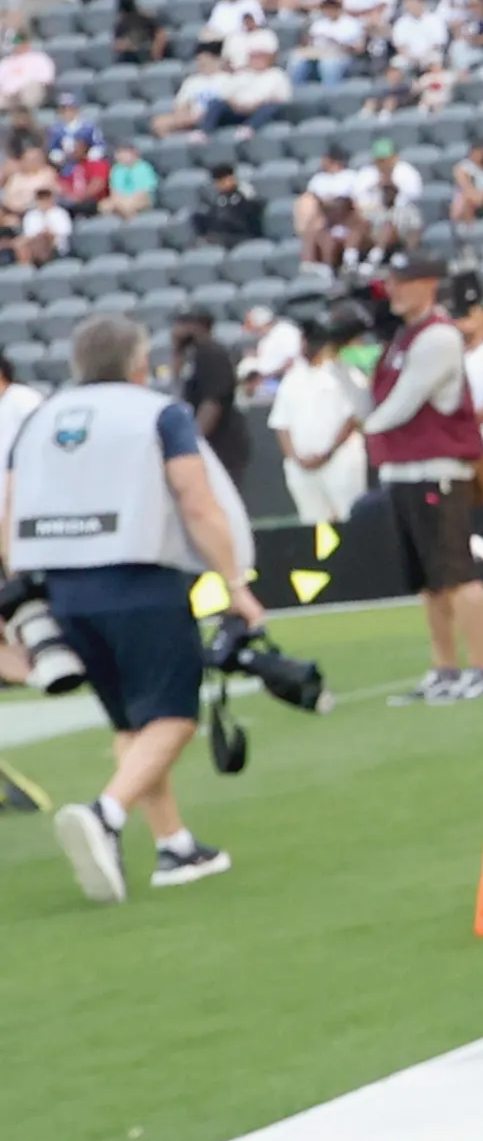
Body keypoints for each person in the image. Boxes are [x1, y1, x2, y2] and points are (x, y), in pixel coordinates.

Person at [12, 315, 276, 902]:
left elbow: (8, 506)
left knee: (133, 721)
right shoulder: (157, 412)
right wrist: (234, 581)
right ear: (138, 362)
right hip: (137, 575)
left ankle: (174, 844)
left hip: (61, 584)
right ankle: (106, 814)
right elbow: (195, 496)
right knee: (174, 714)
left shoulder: (38, 418)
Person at [359, 256, 483, 697]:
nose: (393, 290)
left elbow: (403, 402)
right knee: (428, 579)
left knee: (455, 570)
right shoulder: (402, 337)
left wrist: (364, 429)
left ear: (428, 285)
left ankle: (482, 668)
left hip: (435, 467)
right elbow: (375, 401)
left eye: (403, 282)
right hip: (403, 468)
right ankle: (445, 668)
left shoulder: (437, 336)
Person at [270, 318, 366, 525]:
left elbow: (354, 417)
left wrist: (327, 453)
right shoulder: (292, 378)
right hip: (301, 467)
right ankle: (327, 559)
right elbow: (281, 424)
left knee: (349, 519)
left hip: (340, 461)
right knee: (315, 525)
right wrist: (296, 458)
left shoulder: (344, 372)